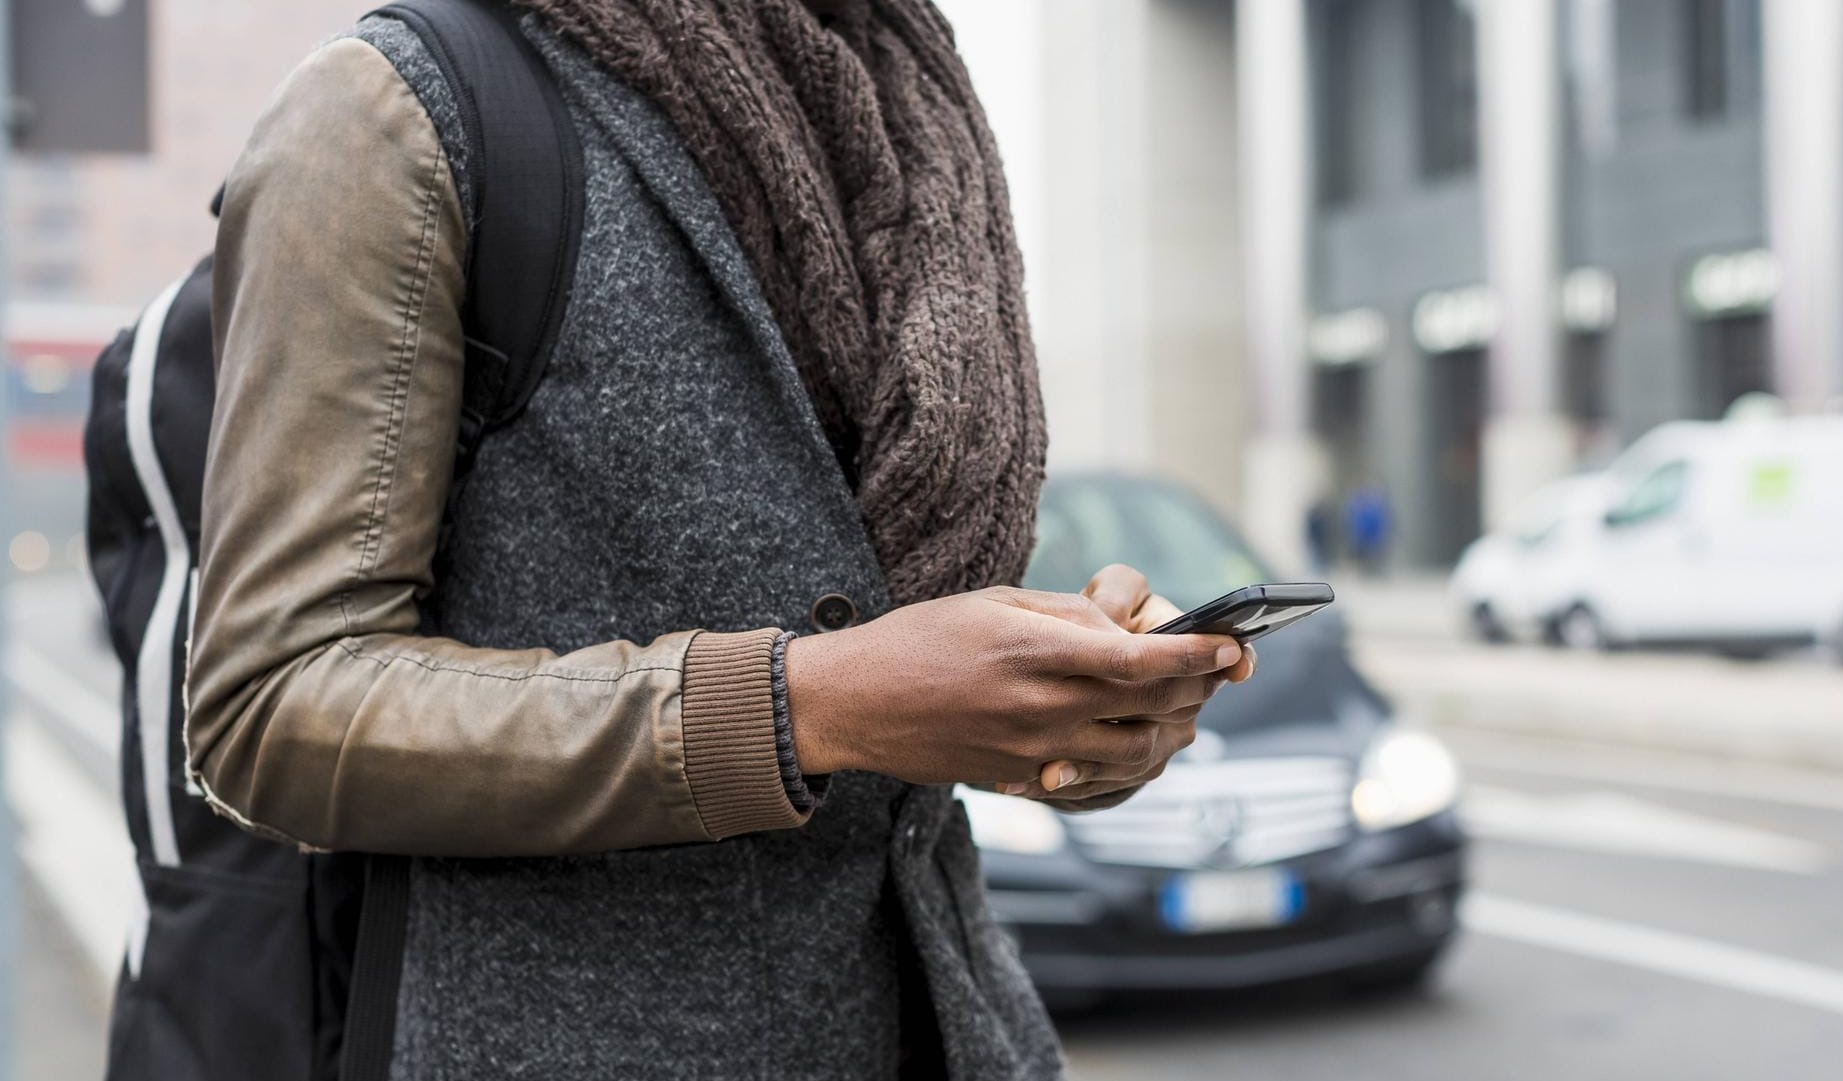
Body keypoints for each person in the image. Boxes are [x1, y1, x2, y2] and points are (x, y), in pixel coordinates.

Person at [183, 1, 1251, 1078]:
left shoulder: (909, 115)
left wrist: (1070, 712)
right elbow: (272, 702)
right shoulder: (391, 110)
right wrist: (805, 706)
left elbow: (897, 709)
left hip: (956, 1030)